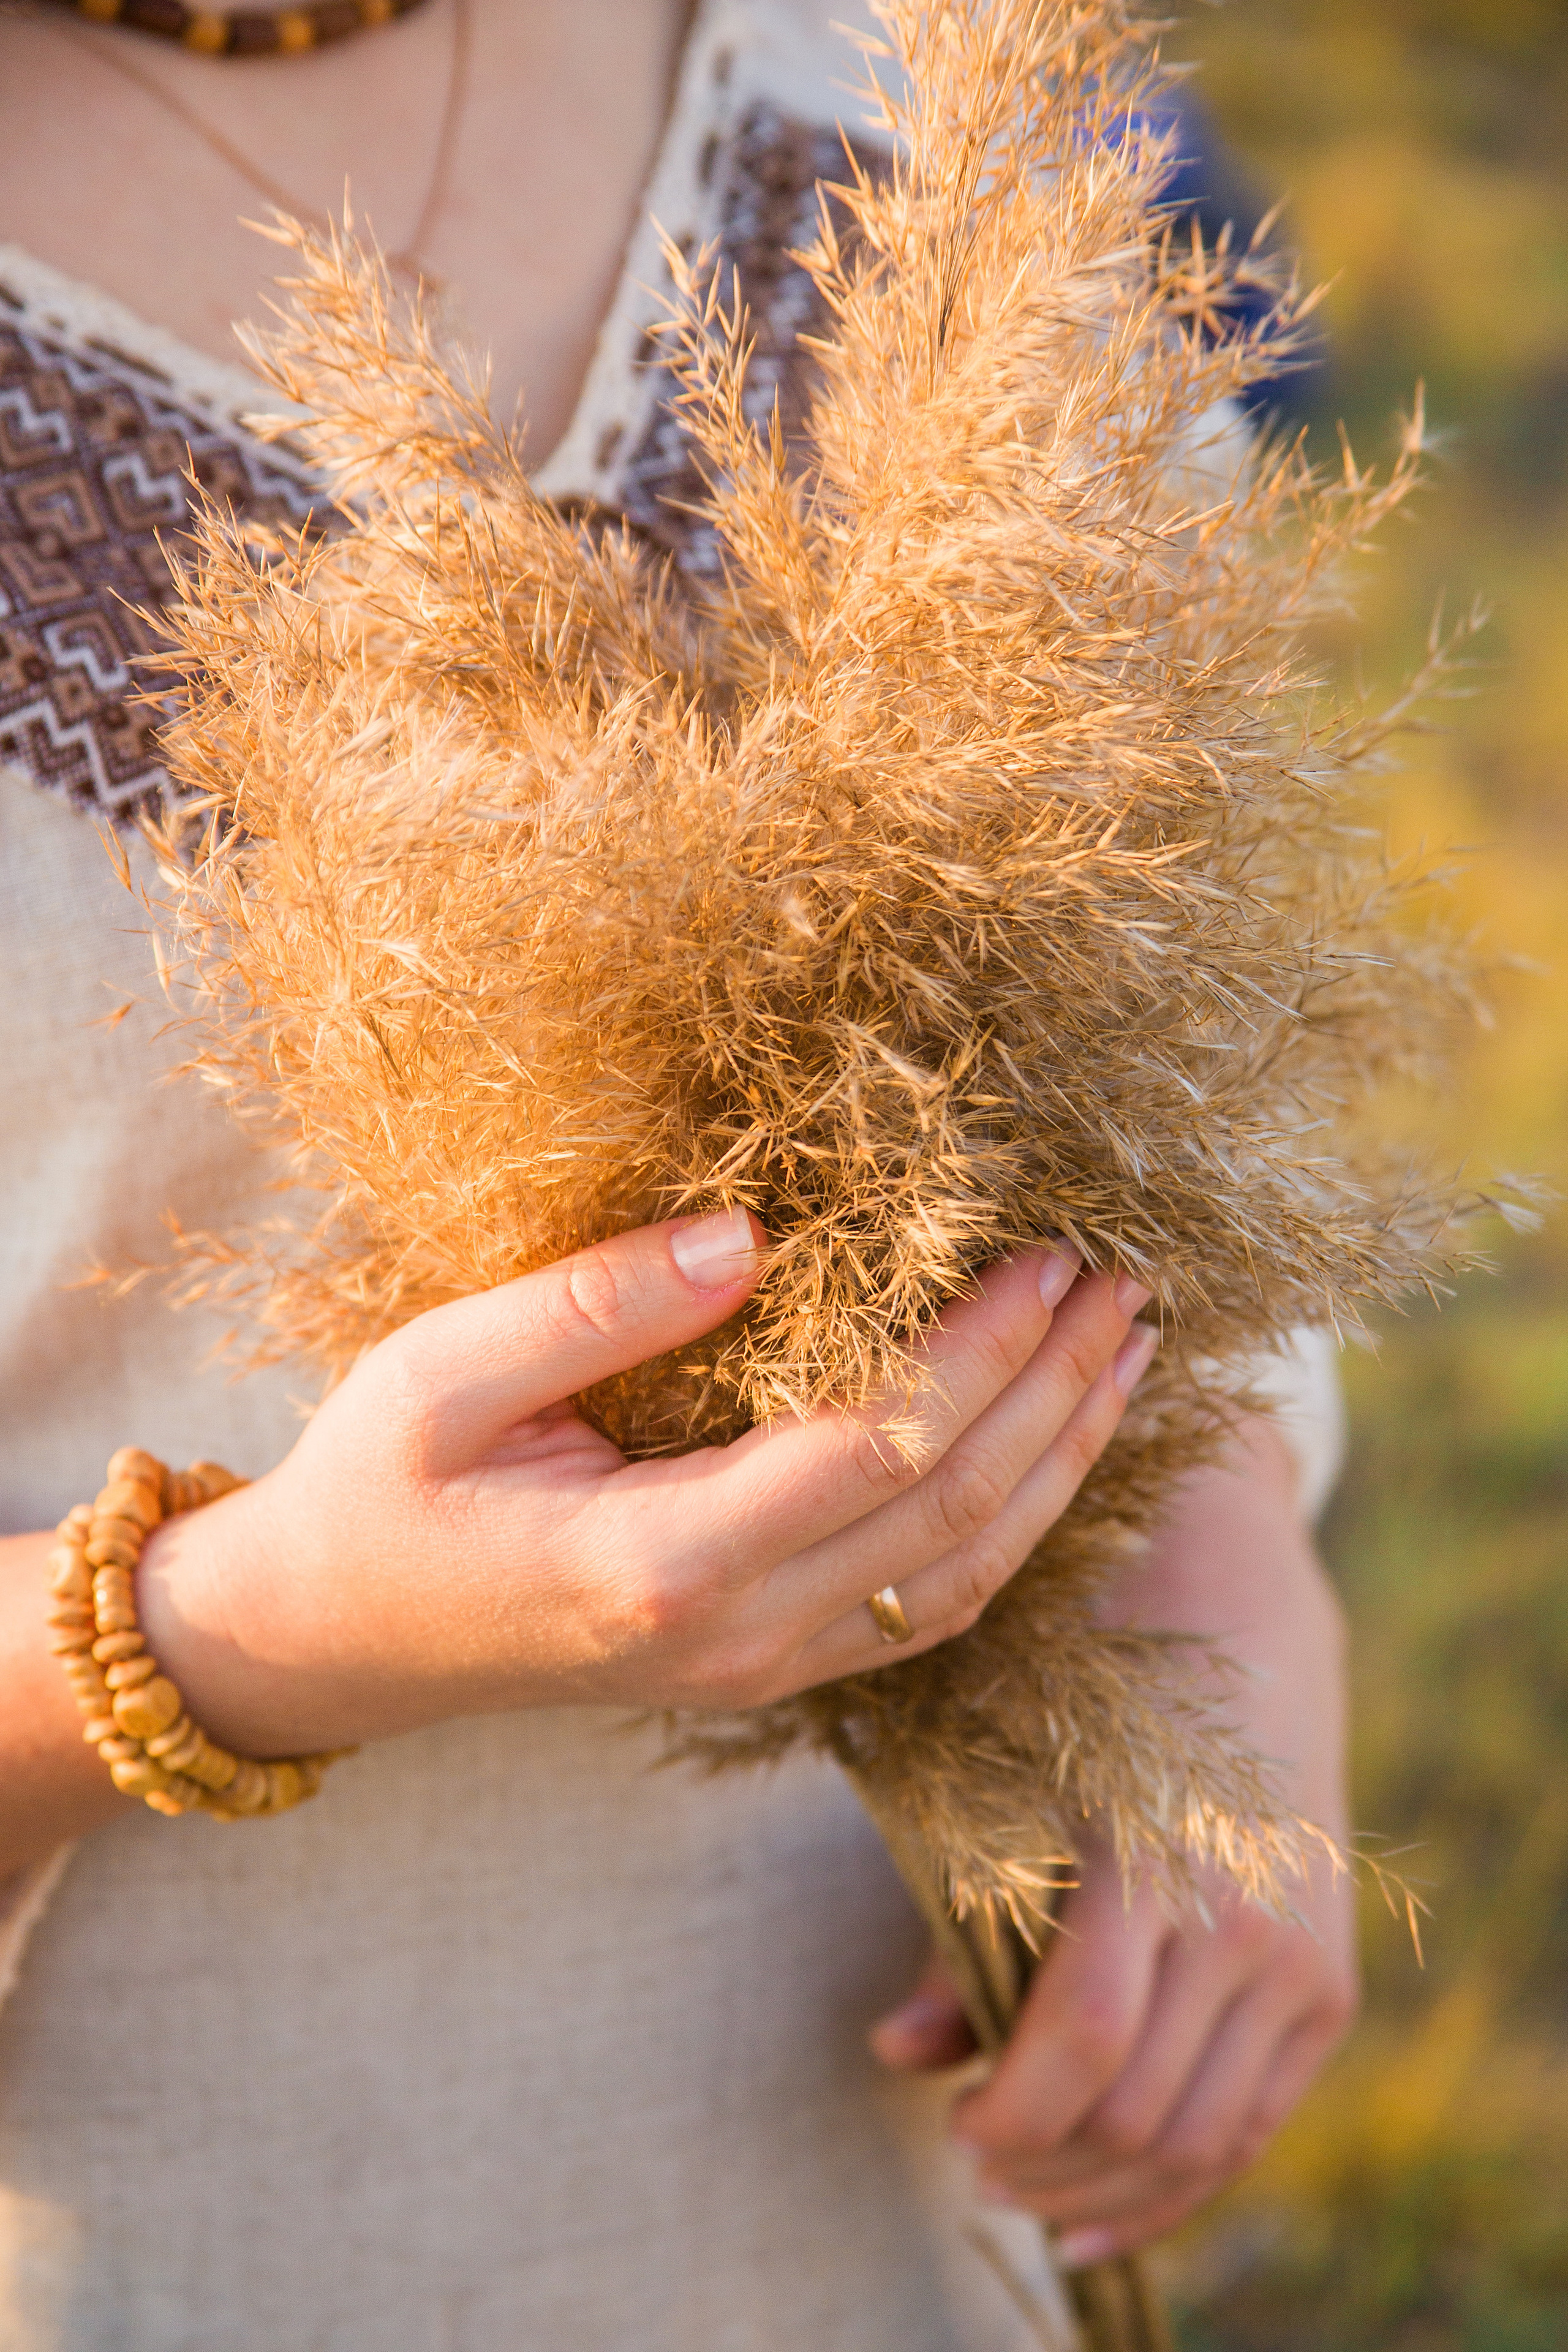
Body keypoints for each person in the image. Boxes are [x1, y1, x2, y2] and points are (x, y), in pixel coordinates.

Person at [0, 0, 1357, 2342]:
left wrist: (1222, 1556)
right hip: (204, 2230)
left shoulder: (928, 78)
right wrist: (238, 1634)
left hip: (890, 2203)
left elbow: (1205, 978)